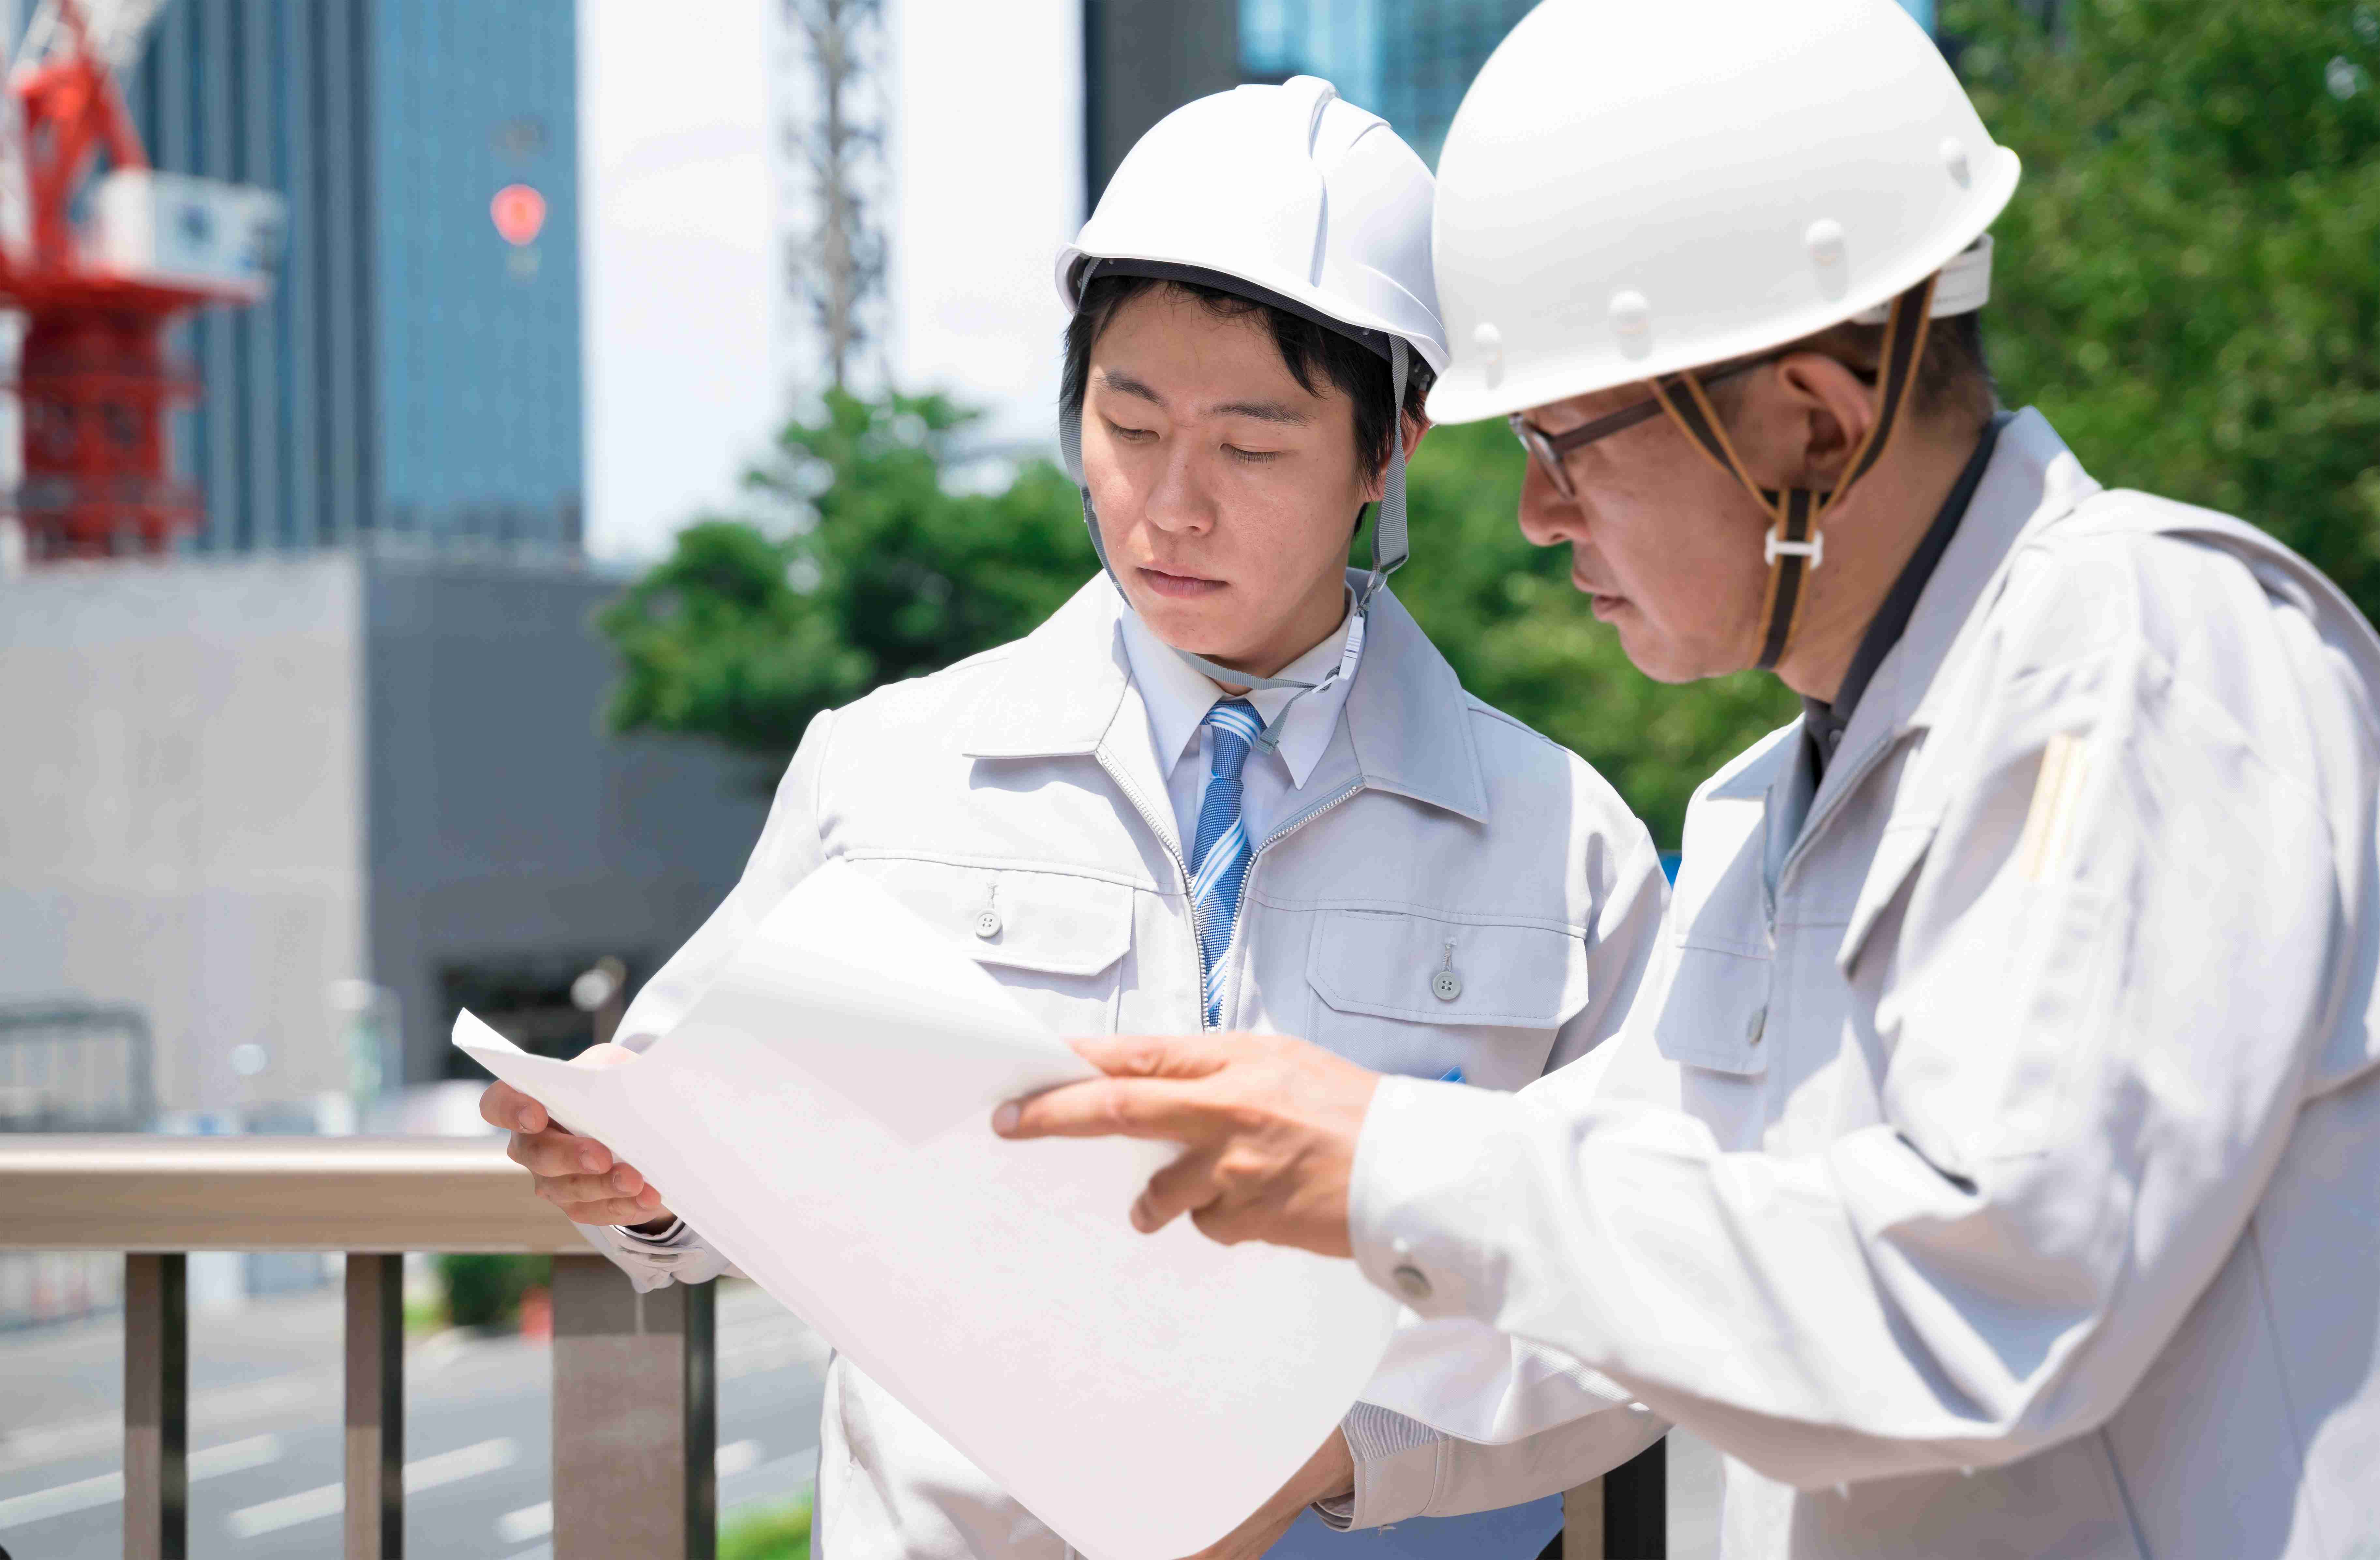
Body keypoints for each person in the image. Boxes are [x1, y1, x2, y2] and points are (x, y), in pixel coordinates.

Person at [993, 3, 2380, 1556]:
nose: (1529, 513)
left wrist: (1384, 1151)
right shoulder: (1768, 815)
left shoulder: (2140, 662)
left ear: (1814, 418)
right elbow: (1600, 1269)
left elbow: (1986, 1299)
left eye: (1566, 441)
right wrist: (1297, 1418)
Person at [480, 77, 1672, 1560]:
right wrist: (641, 1179)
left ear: (1388, 450)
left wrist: (1341, 1457)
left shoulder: (1566, 846)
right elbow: (709, 1155)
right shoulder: (888, 768)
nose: (1170, 504)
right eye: (1126, 422)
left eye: (1249, 448)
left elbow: (1646, 1301)